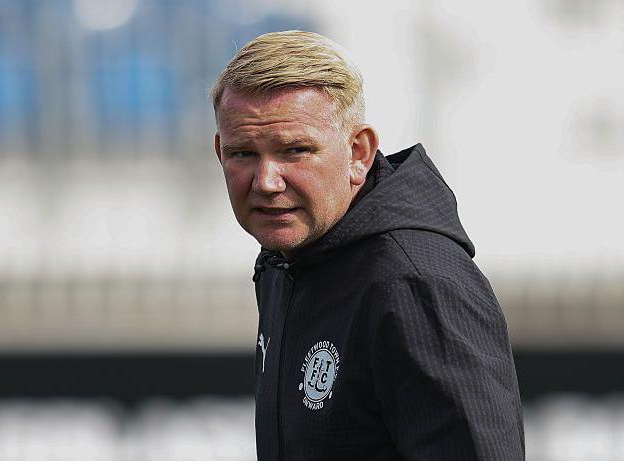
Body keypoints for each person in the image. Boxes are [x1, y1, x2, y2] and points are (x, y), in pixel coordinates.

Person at [211, 30, 524, 460]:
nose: (266, 181)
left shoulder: (416, 283)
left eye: (295, 151)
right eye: (243, 153)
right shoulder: (288, 260)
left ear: (358, 152)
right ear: (219, 152)